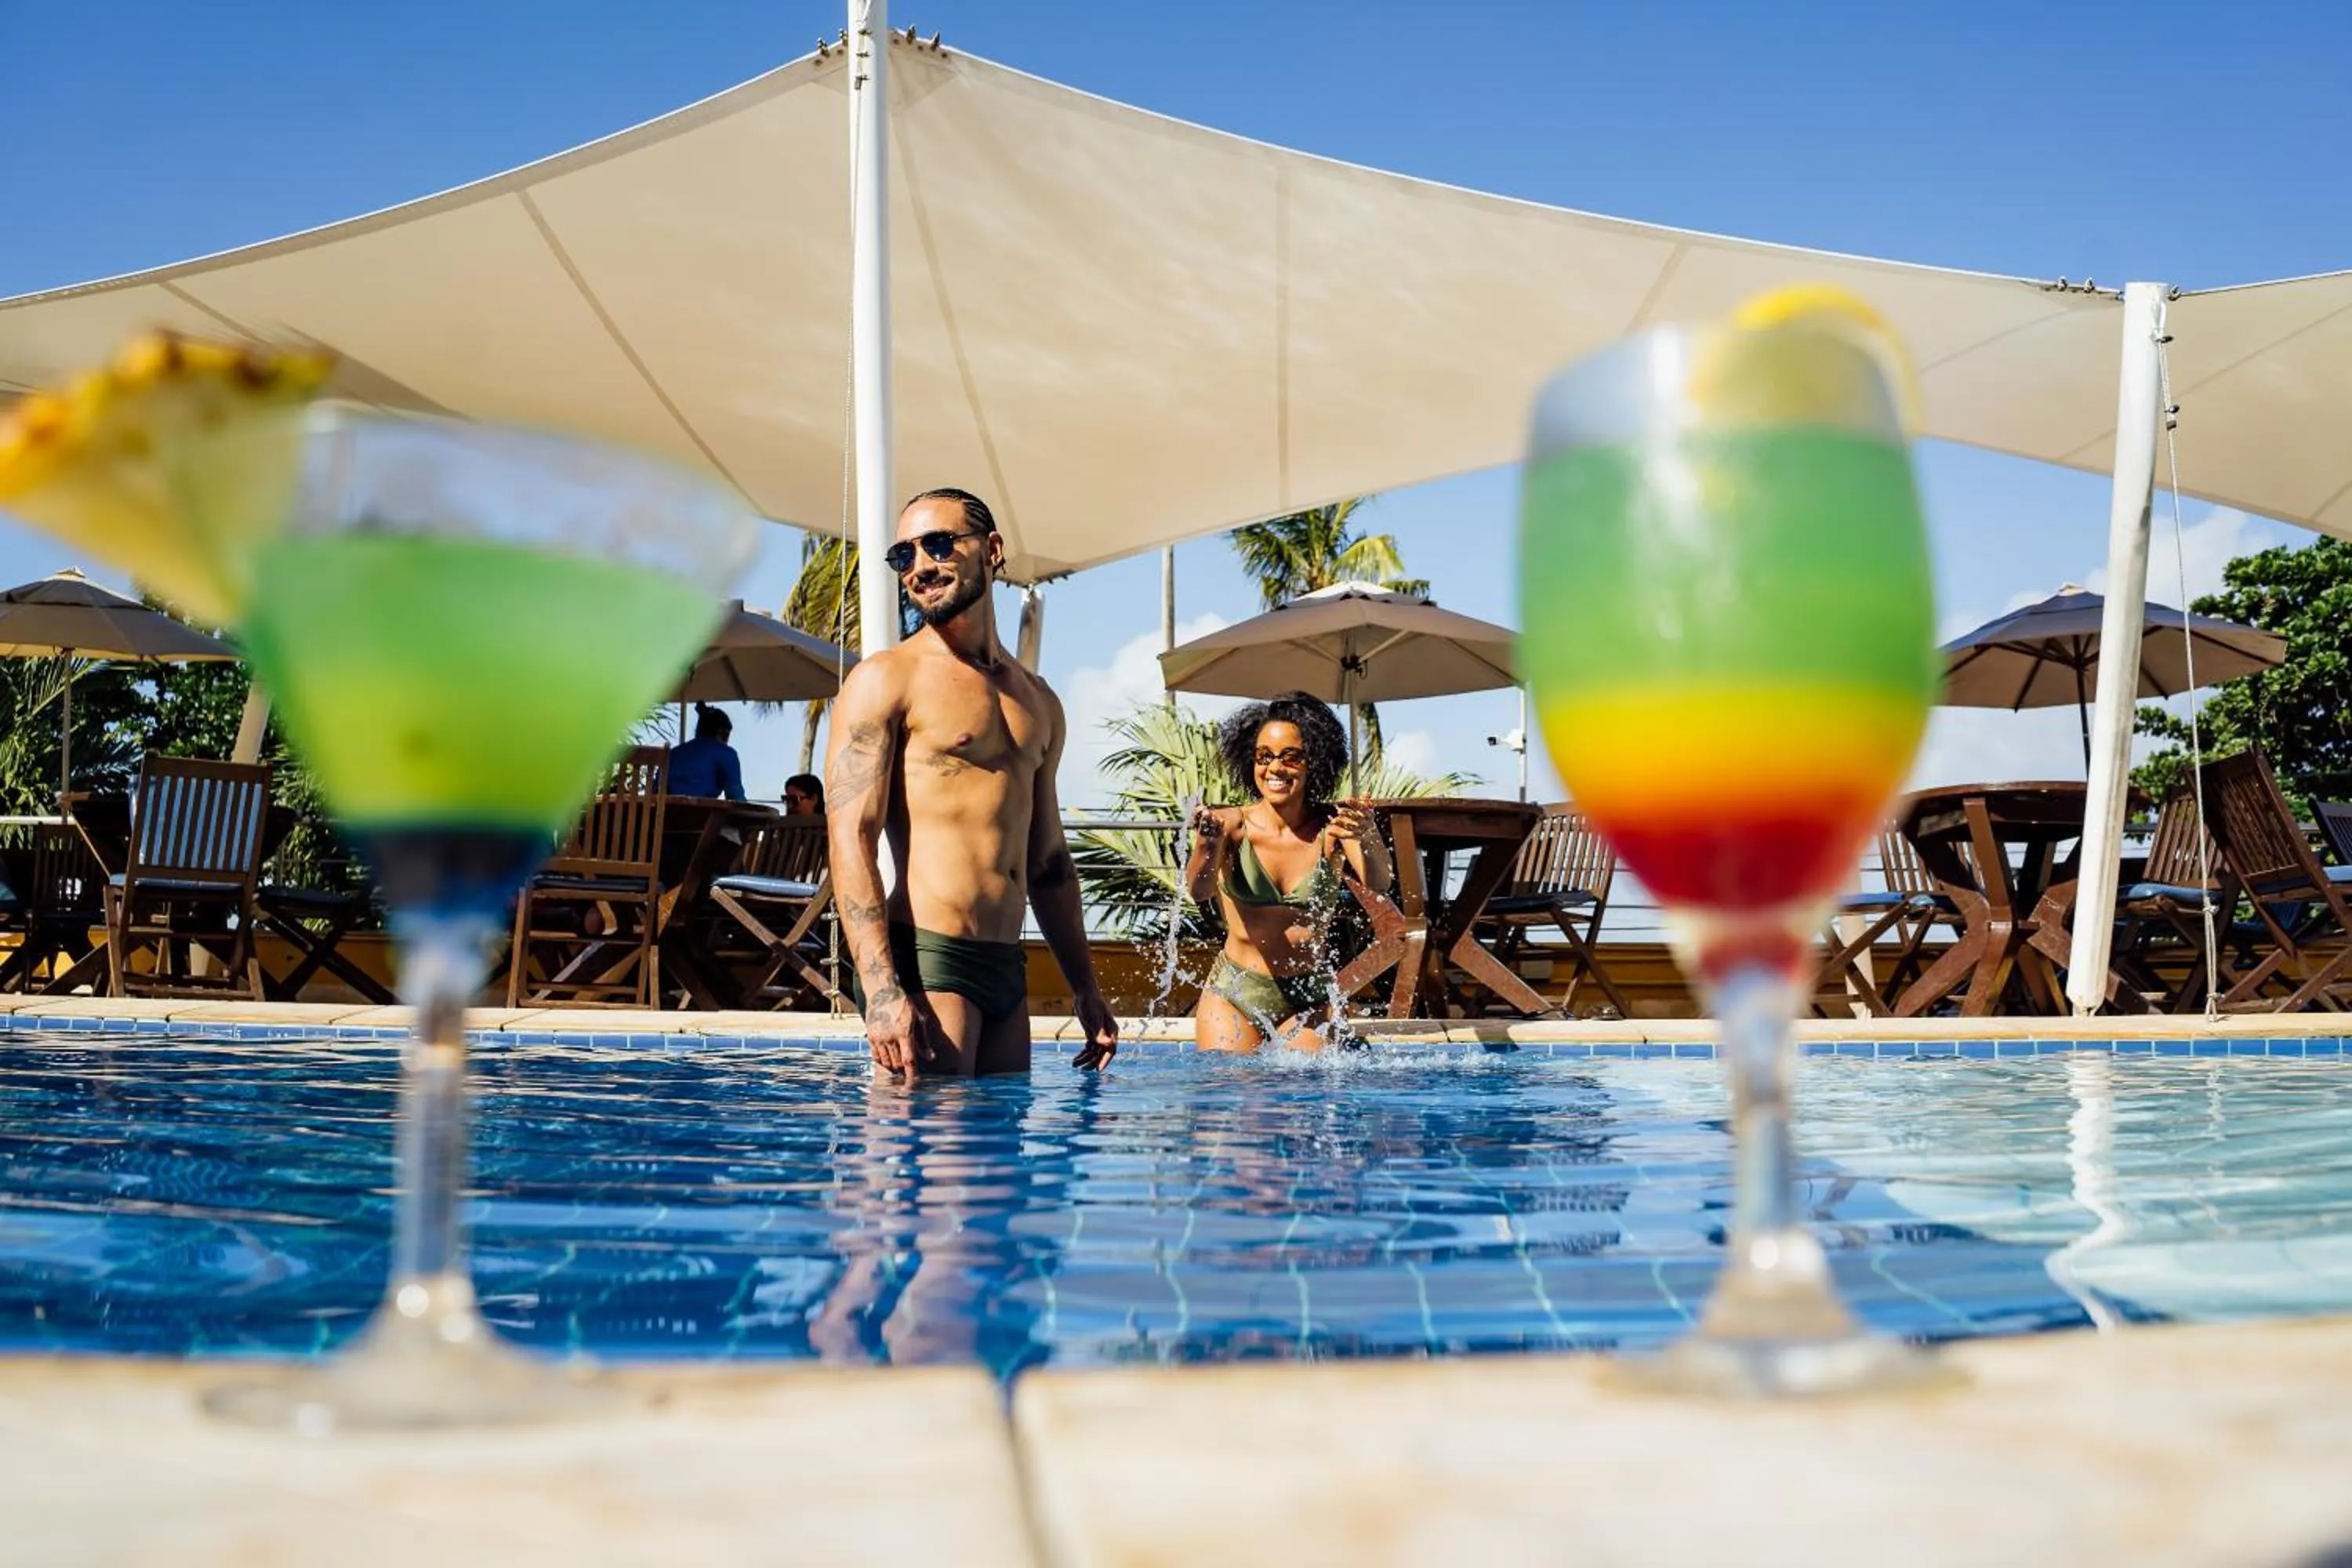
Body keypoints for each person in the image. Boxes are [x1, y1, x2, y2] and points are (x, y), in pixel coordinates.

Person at [824, 485, 1119, 1080]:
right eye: (903, 556)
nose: (920, 567)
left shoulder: (1039, 702)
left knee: (998, 1165)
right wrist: (882, 993)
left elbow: (1050, 863)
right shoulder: (886, 680)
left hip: (1007, 966)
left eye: (937, 544)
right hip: (931, 960)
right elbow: (851, 838)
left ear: (993, 549)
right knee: (940, 1157)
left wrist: (1083, 988)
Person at [1184, 692, 1392, 1053]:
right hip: (1236, 991)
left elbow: (1379, 884)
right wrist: (1205, 844)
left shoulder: (1334, 828)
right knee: (1226, 1093)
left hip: (1309, 996)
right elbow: (1199, 891)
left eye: (1290, 757)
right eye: (1263, 757)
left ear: (1315, 762)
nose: (1274, 768)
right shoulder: (1231, 826)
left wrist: (1369, 834)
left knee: (1304, 1096)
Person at [669, 704, 746, 801]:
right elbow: (735, 795)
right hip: (703, 814)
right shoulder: (726, 753)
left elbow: (656, 789)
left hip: (665, 813)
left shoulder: (673, 753)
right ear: (723, 733)